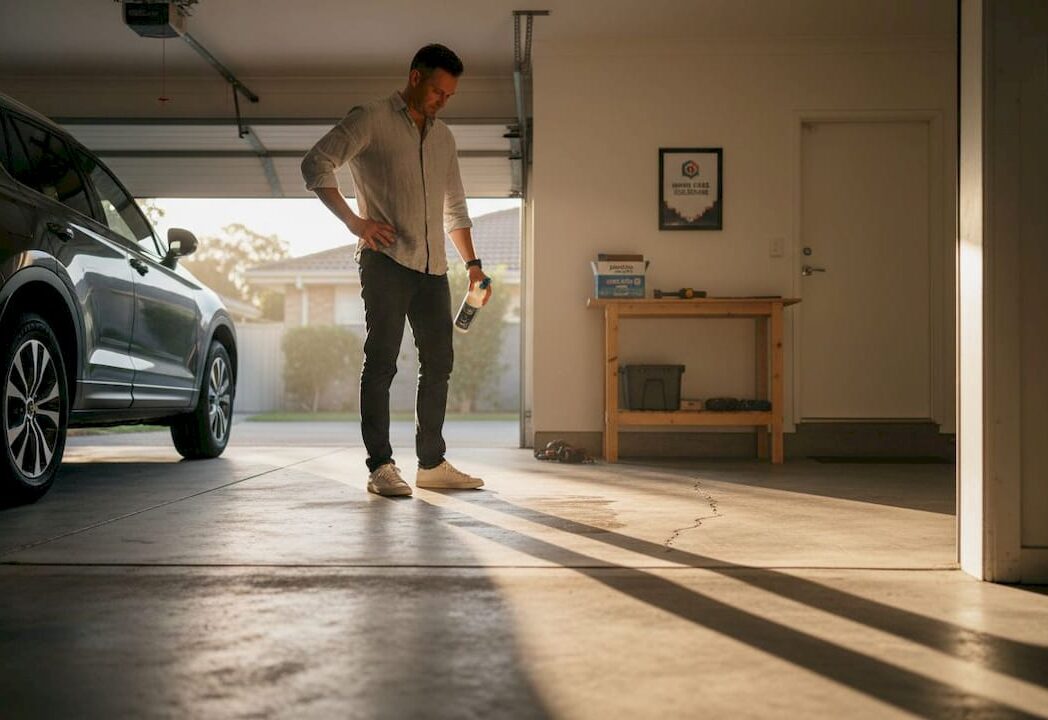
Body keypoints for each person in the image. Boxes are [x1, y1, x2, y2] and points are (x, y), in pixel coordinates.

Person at [301, 44, 491, 497]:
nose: (443, 101)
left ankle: (431, 464)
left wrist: (473, 265)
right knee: (382, 362)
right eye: (438, 91)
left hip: (433, 268)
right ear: (415, 78)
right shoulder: (370, 118)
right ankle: (380, 466)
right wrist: (356, 223)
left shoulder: (443, 138)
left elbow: (455, 208)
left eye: (450, 95)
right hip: (385, 262)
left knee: (439, 362)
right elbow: (316, 163)